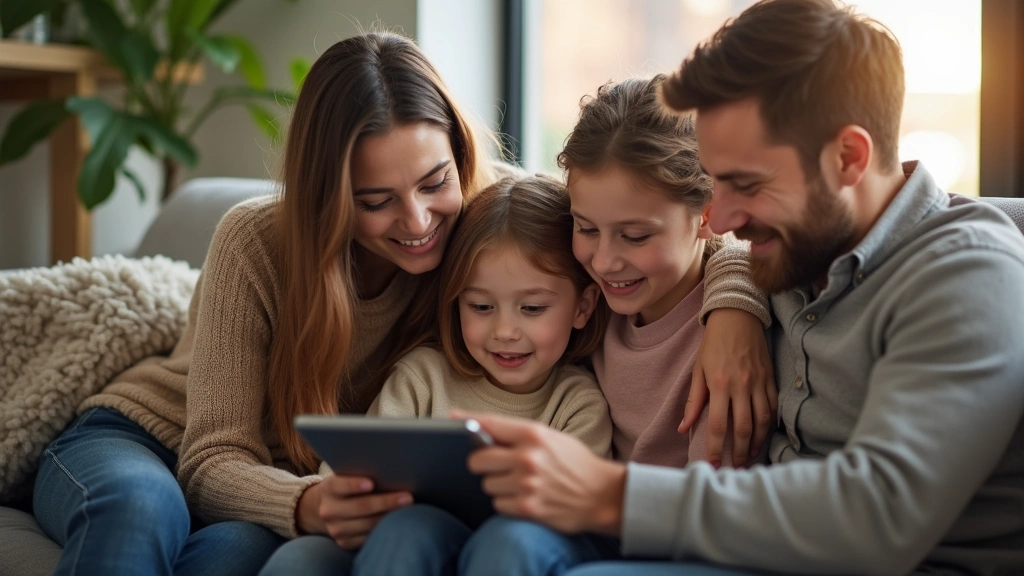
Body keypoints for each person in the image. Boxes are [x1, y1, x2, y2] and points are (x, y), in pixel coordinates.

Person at [30, 30, 774, 576]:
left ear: (458, 155)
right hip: (156, 438)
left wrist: (733, 301)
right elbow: (213, 454)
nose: (418, 223)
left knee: (235, 557)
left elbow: (651, 211)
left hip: (295, 488)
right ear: (328, 195)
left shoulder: (488, 224)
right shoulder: (257, 241)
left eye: (432, 183)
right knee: (139, 511)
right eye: (375, 201)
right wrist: (308, 507)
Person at [456, 1, 1024, 575]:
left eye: (745, 184)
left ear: (849, 157)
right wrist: (733, 304)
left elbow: (879, 513)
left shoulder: (967, 274)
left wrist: (611, 493)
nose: (720, 218)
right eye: (715, 181)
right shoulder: (798, 249)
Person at [455, 74, 771, 576]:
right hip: (597, 530)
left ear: (707, 214)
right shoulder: (588, 297)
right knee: (505, 545)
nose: (604, 260)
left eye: (635, 235)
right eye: (586, 228)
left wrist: (736, 294)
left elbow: (717, 513)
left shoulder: (724, 336)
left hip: (688, 539)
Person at [274, 174, 613, 576]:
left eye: (532, 309)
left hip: (510, 548)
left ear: (582, 307)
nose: (505, 331)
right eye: (481, 307)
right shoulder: (423, 377)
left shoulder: (578, 405)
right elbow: (349, 478)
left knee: (430, 531)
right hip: (400, 540)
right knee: (324, 553)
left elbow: (577, 516)